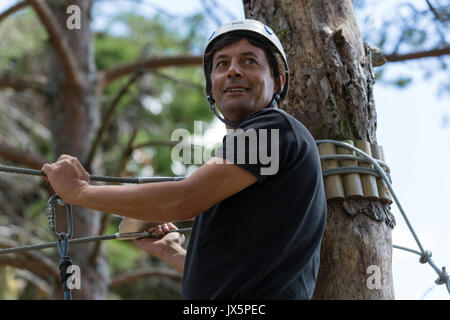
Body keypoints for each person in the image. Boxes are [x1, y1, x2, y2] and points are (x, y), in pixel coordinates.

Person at [42, 19, 327, 300]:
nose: (233, 71)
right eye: (222, 64)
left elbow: (184, 199)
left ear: (279, 81)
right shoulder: (244, 170)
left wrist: (79, 192)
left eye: (249, 61)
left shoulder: (274, 128)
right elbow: (239, 274)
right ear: (211, 85)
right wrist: (171, 252)